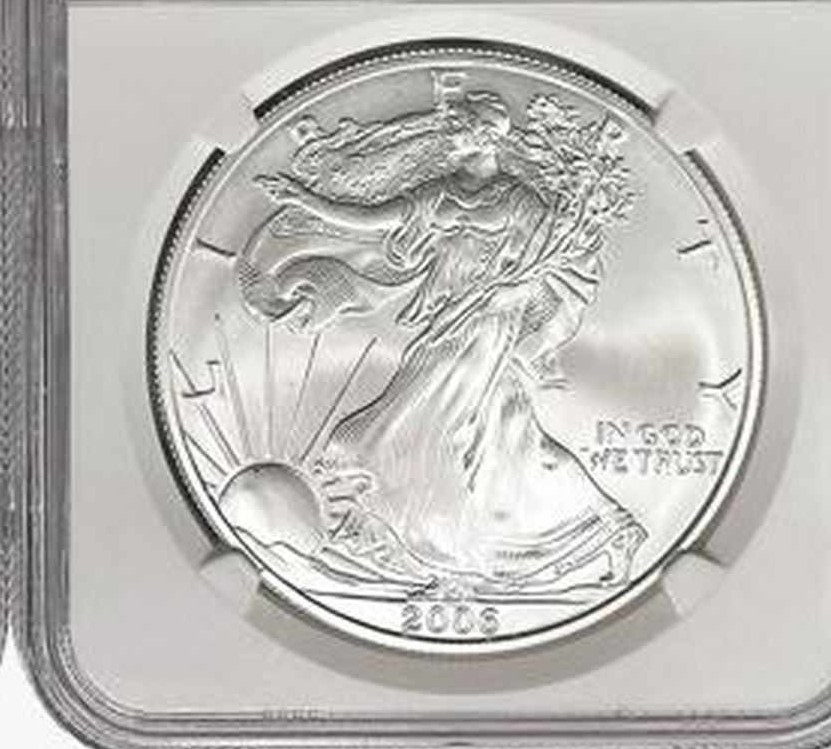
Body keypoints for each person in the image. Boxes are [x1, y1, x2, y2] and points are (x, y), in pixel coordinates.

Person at [237, 88, 643, 594]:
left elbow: (547, 268)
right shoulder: (439, 192)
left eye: (460, 127)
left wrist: (498, 294)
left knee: (412, 431)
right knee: (510, 442)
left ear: (486, 136)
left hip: (487, 327)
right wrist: (306, 200)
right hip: (446, 323)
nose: (449, 135)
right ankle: (608, 527)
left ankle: (438, 554)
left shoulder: (520, 202)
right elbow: (373, 219)